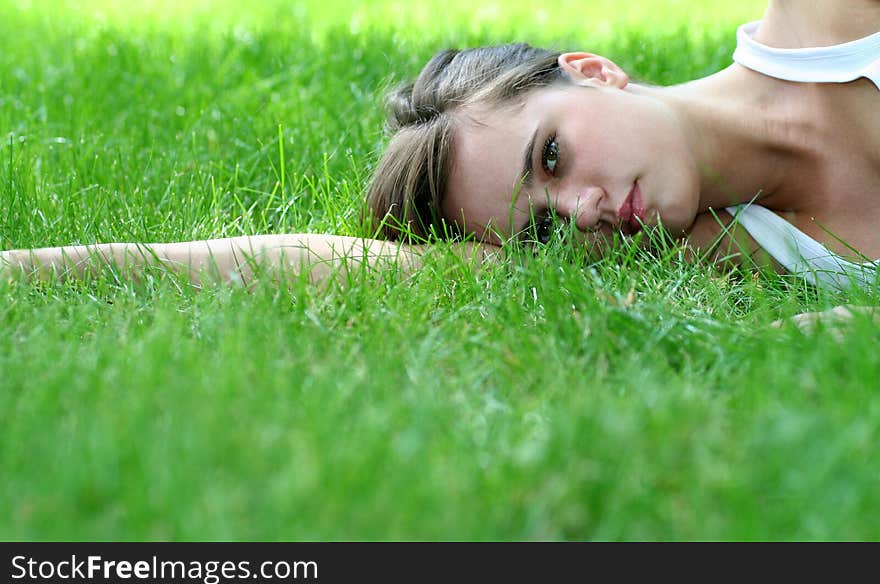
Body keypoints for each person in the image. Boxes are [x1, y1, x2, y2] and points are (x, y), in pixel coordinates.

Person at [2, 0, 879, 295]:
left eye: (551, 156)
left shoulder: (830, 24)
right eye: (538, 231)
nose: (583, 213)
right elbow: (322, 264)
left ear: (594, 72)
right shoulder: (713, 253)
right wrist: (33, 269)